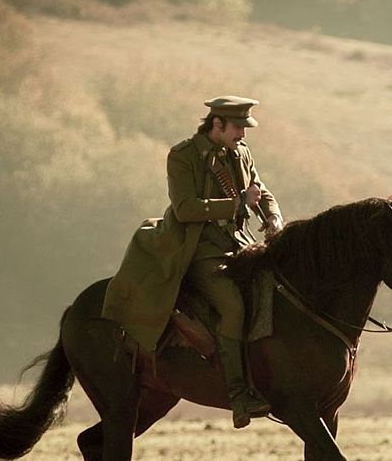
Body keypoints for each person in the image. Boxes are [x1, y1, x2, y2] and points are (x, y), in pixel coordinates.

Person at [101, 95, 284, 429]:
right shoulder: (183, 156)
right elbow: (185, 208)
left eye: (244, 128)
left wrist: (273, 216)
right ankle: (239, 394)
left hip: (239, 245)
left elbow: (261, 190)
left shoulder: (240, 152)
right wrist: (237, 204)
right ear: (217, 124)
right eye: (238, 127)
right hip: (198, 250)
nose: (243, 134)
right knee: (233, 308)